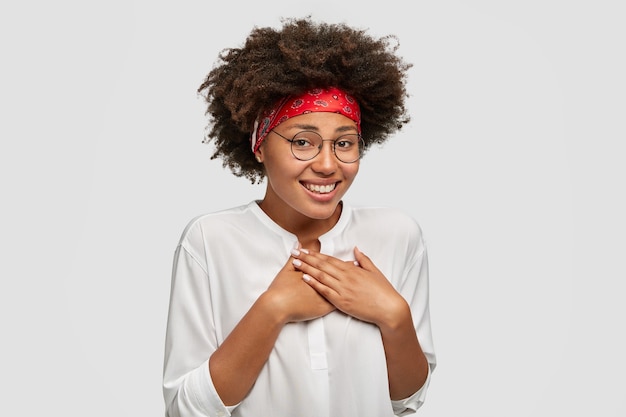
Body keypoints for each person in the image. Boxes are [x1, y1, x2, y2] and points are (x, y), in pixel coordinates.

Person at [163, 17, 436, 417]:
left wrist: (393, 315)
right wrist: (274, 308)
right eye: (302, 142)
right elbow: (186, 409)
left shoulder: (396, 235)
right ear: (259, 146)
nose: (328, 164)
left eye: (344, 143)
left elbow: (406, 400)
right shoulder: (210, 240)